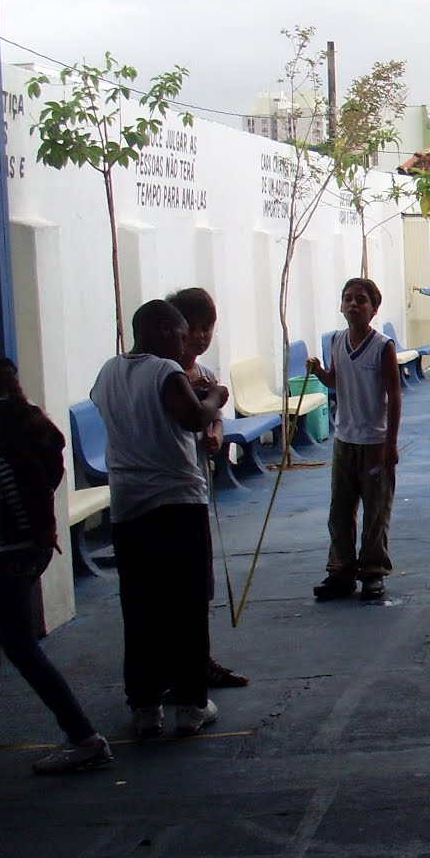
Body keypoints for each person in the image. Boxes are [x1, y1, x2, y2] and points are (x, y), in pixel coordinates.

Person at [0, 349, 114, 773]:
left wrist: (28, 534)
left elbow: (26, 485)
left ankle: (84, 737)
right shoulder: (13, 416)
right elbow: (42, 473)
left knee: (15, 644)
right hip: (15, 547)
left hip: (7, 549)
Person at [90, 300, 227, 737]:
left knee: (141, 607)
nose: (187, 343)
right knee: (186, 604)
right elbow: (192, 418)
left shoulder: (108, 372)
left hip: (128, 504)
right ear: (165, 330)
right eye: (183, 334)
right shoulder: (163, 371)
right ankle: (191, 703)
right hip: (175, 500)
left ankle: (145, 705)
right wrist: (215, 397)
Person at [162, 287, 249, 690]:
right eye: (191, 328)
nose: (199, 336)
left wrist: (215, 434)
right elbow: (196, 414)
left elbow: (214, 420)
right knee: (171, 590)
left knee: (198, 586)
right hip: (170, 491)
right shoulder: (164, 375)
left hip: (196, 486)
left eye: (206, 328)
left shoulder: (208, 376)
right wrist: (207, 417)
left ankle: (199, 661)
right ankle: (174, 670)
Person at [306, 278, 402, 602]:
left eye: (361, 299)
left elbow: (394, 395)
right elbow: (336, 380)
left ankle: (373, 571)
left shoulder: (383, 346)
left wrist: (391, 442)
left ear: (374, 308)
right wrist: (319, 373)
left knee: (376, 510)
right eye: (347, 299)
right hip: (344, 439)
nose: (353, 305)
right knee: (340, 509)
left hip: (374, 440)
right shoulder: (336, 341)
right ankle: (341, 570)